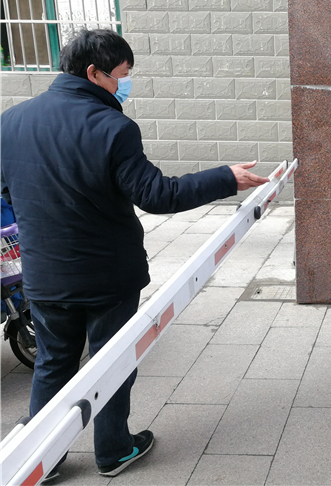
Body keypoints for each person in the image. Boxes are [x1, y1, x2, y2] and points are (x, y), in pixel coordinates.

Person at [0, 29, 268, 480]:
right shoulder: (113, 127)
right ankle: (113, 450)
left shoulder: (11, 121)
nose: (125, 84)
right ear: (94, 73)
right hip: (106, 277)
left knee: (53, 363)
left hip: (44, 275)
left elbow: (8, 192)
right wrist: (226, 177)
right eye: (122, 75)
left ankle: (43, 460)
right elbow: (157, 195)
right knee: (111, 363)